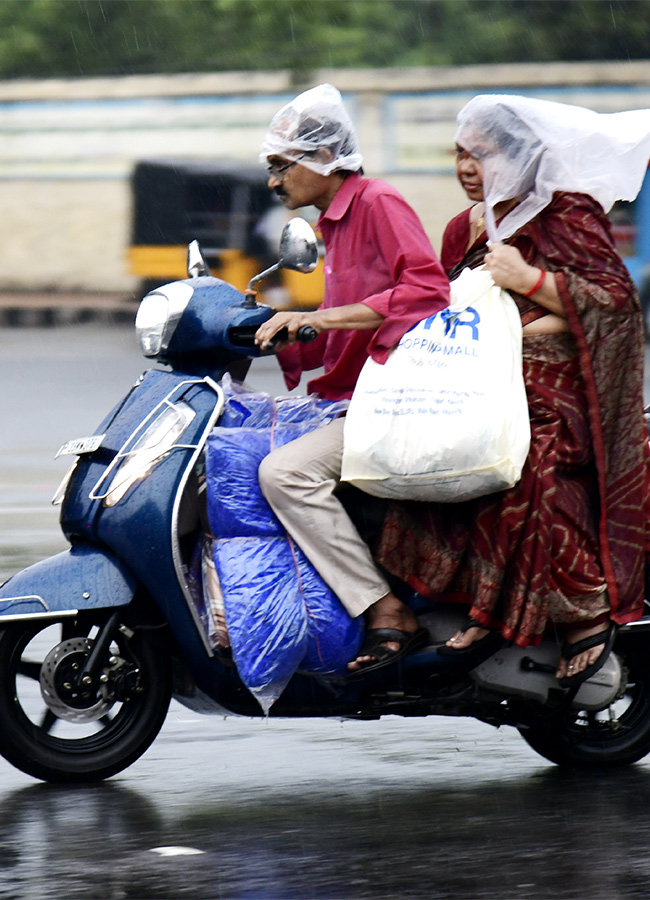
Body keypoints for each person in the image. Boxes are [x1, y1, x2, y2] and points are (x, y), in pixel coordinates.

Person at [375, 94, 650, 686]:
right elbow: (442, 305)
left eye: (481, 154)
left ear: (521, 156)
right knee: (417, 455)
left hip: (557, 394)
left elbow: (617, 308)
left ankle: (584, 615)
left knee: (519, 462)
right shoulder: (466, 227)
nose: (466, 168)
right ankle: (474, 603)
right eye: (459, 155)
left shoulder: (564, 213)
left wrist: (531, 281)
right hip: (478, 385)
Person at [253, 83, 450, 674]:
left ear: (321, 159)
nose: (273, 182)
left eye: (280, 166)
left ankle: (385, 607)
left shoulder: (377, 202)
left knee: (283, 473)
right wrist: (277, 331)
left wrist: (317, 317)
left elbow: (425, 288)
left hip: (388, 399)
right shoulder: (331, 225)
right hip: (346, 395)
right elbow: (343, 334)